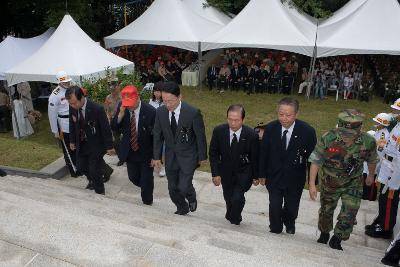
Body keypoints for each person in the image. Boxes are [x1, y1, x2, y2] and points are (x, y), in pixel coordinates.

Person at [308, 109, 378, 250]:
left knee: (350, 212)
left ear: (360, 129)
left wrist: (371, 175)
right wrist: (311, 184)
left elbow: (372, 159)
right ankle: (324, 232)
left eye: (350, 135)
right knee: (326, 211)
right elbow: (316, 161)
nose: (346, 137)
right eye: (343, 133)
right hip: (330, 182)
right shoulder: (328, 138)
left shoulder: (368, 141)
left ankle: (338, 238)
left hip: (353, 183)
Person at [259, 97, 317, 234]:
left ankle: (289, 222)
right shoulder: (271, 128)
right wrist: (261, 174)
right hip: (274, 176)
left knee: (291, 209)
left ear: (296, 114)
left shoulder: (308, 132)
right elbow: (263, 153)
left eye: (288, 115)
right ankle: (275, 227)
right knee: (274, 207)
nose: (284, 118)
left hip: (295, 179)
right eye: (281, 114)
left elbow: (313, 159)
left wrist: (312, 182)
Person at [152, 81, 207, 215]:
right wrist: (156, 157)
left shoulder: (192, 113)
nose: (168, 105)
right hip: (171, 156)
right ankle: (182, 207)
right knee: (172, 189)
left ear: (180, 97)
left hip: (189, 155)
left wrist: (202, 156)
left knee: (184, 186)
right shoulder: (160, 112)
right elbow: (157, 135)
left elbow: (200, 136)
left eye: (170, 101)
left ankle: (191, 196)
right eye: (164, 101)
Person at [209, 104, 259, 225]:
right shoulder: (219, 131)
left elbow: (256, 157)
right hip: (225, 171)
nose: (233, 123)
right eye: (230, 119)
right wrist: (215, 174)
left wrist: (256, 176)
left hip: (244, 172)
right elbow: (213, 153)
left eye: (236, 120)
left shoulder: (251, 135)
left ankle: (236, 217)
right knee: (228, 197)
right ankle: (231, 213)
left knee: (237, 197)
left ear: (243, 119)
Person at [111, 85, 156, 205]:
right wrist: (120, 115)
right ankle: (147, 186)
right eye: (127, 103)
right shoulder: (123, 107)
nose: (129, 106)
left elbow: (156, 137)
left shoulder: (150, 111)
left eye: (131, 103)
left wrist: (155, 156)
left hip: (146, 152)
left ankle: (147, 201)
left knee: (146, 180)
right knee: (133, 177)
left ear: (138, 98)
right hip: (130, 151)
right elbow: (114, 127)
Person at [66, 86, 114, 195]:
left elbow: (105, 128)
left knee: (94, 169)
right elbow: (72, 125)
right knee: (80, 166)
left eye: (74, 103)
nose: (73, 106)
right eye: (70, 104)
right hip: (81, 142)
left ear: (82, 97)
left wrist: (109, 146)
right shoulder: (73, 107)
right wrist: (72, 141)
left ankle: (100, 192)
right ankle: (100, 175)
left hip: (95, 143)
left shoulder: (97, 109)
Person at [367, 99, 400, 240]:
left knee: (389, 200)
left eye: (397, 110)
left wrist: (395, 176)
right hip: (388, 166)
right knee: (383, 197)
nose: (395, 112)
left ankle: (386, 229)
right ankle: (381, 221)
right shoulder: (398, 124)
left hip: (394, 170)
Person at [48, 71, 77, 176]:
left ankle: (81, 166)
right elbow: (52, 114)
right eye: (65, 82)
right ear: (59, 82)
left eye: (68, 81)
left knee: (79, 145)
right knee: (69, 149)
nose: (67, 83)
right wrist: (55, 130)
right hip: (65, 125)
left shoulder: (72, 89)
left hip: (75, 121)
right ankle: (73, 170)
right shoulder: (54, 95)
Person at [148, 81, 166, 177]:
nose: (156, 93)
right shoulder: (151, 101)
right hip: (152, 129)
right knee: (153, 147)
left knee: (162, 149)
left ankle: (162, 166)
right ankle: (156, 163)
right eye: (155, 91)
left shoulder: (166, 103)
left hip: (163, 130)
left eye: (158, 91)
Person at [104, 78, 123, 166]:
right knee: (116, 141)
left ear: (118, 87)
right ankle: (121, 158)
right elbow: (107, 111)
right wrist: (108, 121)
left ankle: (127, 155)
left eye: (114, 88)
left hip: (123, 120)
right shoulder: (108, 97)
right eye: (111, 89)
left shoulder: (123, 96)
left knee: (126, 139)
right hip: (114, 121)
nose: (113, 91)